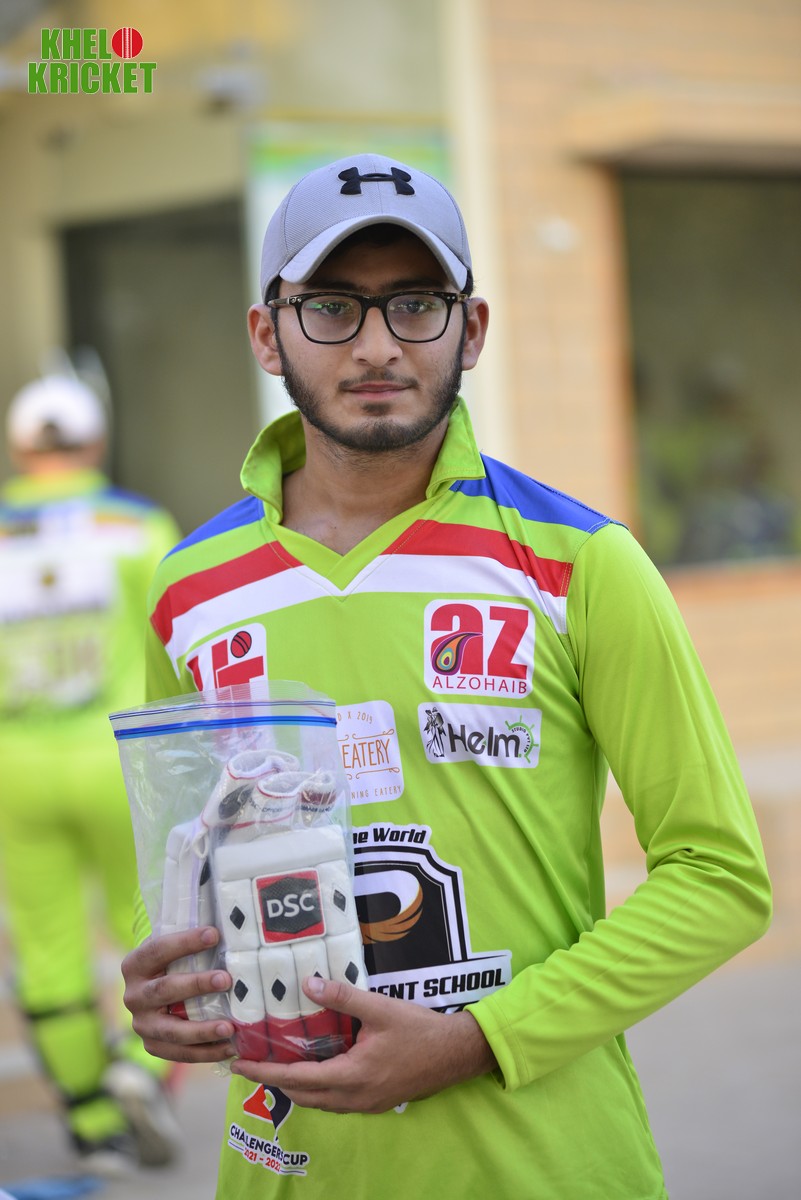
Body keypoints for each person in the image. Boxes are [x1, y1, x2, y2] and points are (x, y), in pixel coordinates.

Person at [121, 154, 772, 1198]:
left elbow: (719, 878)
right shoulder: (190, 590)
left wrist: (479, 1038)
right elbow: (185, 863)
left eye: (416, 303)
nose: (377, 344)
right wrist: (167, 982)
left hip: (546, 1169)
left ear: (471, 329)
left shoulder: (579, 562)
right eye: (332, 306)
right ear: (267, 333)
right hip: (288, 1172)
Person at [0, 374, 183, 1176]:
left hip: (15, 767)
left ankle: (91, 1121)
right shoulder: (138, 526)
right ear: (96, 443)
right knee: (156, 923)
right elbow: (177, 637)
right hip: (119, 760)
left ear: (18, 449)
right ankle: (141, 1069)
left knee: (47, 947)